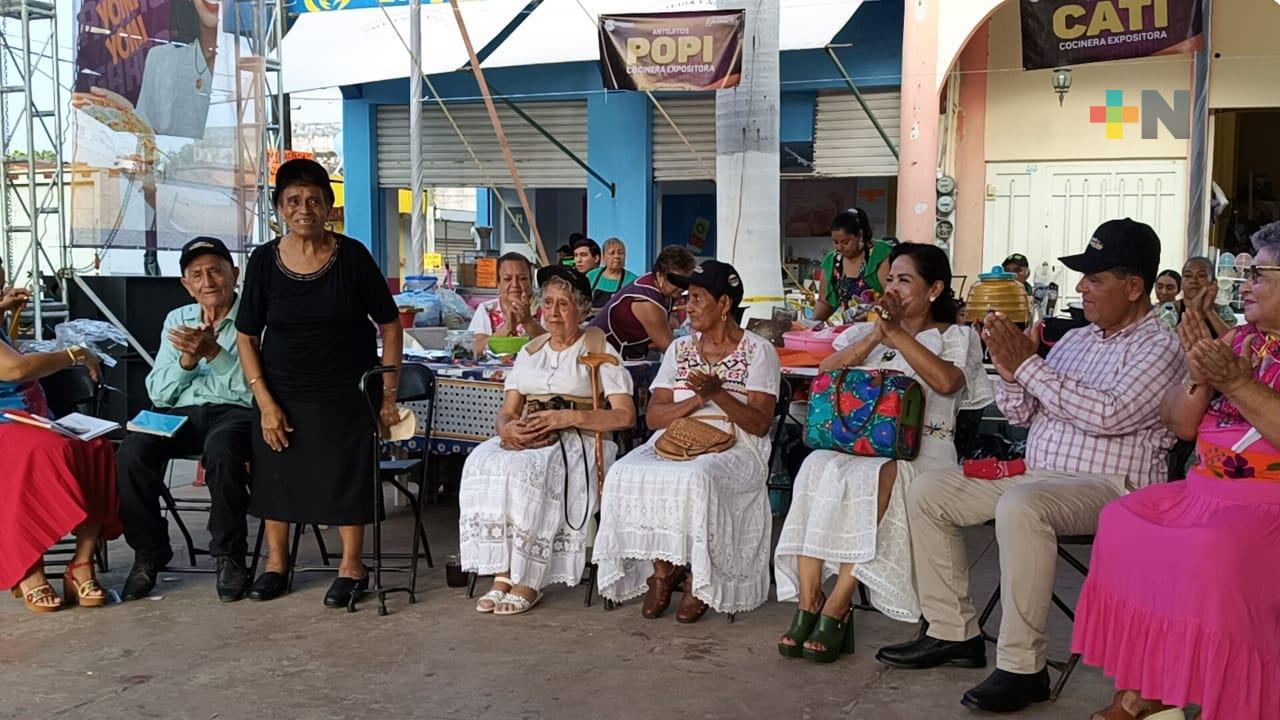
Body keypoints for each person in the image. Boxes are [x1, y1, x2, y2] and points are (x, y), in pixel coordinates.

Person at [875, 219, 1185, 714]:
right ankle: (955, 634)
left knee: (1023, 506)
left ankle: (1023, 668)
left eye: (1094, 279)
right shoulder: (1081, 340)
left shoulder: (1161, 347)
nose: (1081, 287)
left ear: (1133, 287)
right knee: (928, 490)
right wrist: (1011, 368)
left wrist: (1030, 366)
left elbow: (1109, 414)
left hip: (1113, 487)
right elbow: (1021, 414)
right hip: (1036, 474)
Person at [1073, 221, 1280, 720]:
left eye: (1260, 274)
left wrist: (1237, 385)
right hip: (1203, 490)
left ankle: (1232, 697)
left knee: (1211, 551)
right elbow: (1183, 425)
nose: (1246, 284)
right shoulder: (1241, 338)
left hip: (1265, 504)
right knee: (1124, 521)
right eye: (1248, 273)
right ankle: (1151, 688)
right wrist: (1197, 374)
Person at [774, 244, 994, 662]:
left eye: (905, 280)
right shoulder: (864, 332)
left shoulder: (956, 337)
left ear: (935, 289)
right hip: (857, 443)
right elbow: (824, 375)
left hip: (921, 449)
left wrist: (897, 335)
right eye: (890, 278)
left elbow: (947, 384)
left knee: (874, 476)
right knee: (815, 465)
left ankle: (838, 605)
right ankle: (809, 601)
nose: (892, 288)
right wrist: (877, 333)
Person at [235, 158, 403, 608]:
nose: (304, 208)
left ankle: (352, 566)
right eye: (293, 201)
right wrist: (264, 401)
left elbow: (390, 325)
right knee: (276, 476)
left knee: (347, 477)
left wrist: (387, 394)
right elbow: (246, 335)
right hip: (280, 393)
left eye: (314, 199)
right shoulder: (264, 262)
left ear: (329, 206)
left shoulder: (352, 257)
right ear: (279, 209)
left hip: (347, 394)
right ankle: (276, 564)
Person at [595, 260, 781, 623]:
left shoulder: (759, 351)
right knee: (625, 471)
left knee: (697, 476)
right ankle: (663, 570)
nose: (687, 306)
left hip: (737, 441)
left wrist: (719, 395)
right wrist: (698, 399)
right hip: (678, 436)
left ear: (724, 304)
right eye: (686, 298)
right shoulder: (679, 350)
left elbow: (759, 424)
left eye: (697, 298)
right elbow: (654, 417)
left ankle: (699, 577)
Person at [459, 267, 636, 616]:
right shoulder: (531, 351)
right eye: (548, 303)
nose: (553, 313)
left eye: (564, 305)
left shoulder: (599, 347)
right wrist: (506, 430)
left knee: (532, 470)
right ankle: (504, 572)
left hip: (579, 438)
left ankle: (530, 578)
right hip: (532, 434)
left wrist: (569, 417)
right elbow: (508, 411)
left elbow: (624, 416)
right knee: (483, 461)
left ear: (583, 309)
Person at [116, 237, 253, 602]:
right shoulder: (177, 319)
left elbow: (252, 391)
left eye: (215, 271)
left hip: (234, 413)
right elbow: (159, 393)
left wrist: (214, 353)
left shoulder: (254, 318)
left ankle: (229, 555)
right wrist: (188, 361)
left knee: (223, 449)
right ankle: (149, 550)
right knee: (132, 452)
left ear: (234, 274)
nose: (207, 281)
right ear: (186, 284)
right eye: (197, 275)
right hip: (179, 414)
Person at [0, 310, 118, 613]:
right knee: (44, 452)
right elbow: (14, 370)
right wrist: (74, 353)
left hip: (30, 419)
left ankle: (81, 563)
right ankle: (28, 568)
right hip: (5, 423)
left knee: (95, 446)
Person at [589, 246, 695, 360]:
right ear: (659, 275)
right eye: (675, 280)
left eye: (685, 282)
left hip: (623, 354)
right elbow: (669, 349)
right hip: (599, 356)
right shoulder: (648, 302)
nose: (680, 287)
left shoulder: (663, 288)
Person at [812, 208, 893, 323]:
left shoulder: (879, 254)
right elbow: (824, 302)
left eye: (845, 242)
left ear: (859, 235)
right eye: (835, 242)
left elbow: (892, 296)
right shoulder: (832, 261)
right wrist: (812, 325)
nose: (839, 247)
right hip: (848, 329)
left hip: (880, 327)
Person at [467, 252, 544, 357]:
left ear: (531, 282)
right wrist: (506, 328)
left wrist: (528, 322)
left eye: (522, 278)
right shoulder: (487, 309)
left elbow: (558, 345)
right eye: (507, 279)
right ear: (498, 284)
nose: (515, 285)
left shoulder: (545, 308)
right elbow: (473, 348)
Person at [1166, 256, 1237, 336]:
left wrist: (1209, 311)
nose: (1194, 280)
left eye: (1201, 275)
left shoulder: (1223, 311)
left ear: (1213, 283)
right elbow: (1164, 340)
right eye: (1188, 275)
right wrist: (1193, 311)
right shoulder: (1170, 309)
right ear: (1181, 283)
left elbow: (1233, 343)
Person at [585, 238, 638, 309]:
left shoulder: (632, 280)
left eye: (620, 253)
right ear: (603, 257)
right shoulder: (591, 276)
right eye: (612, 253)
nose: (617, 256)